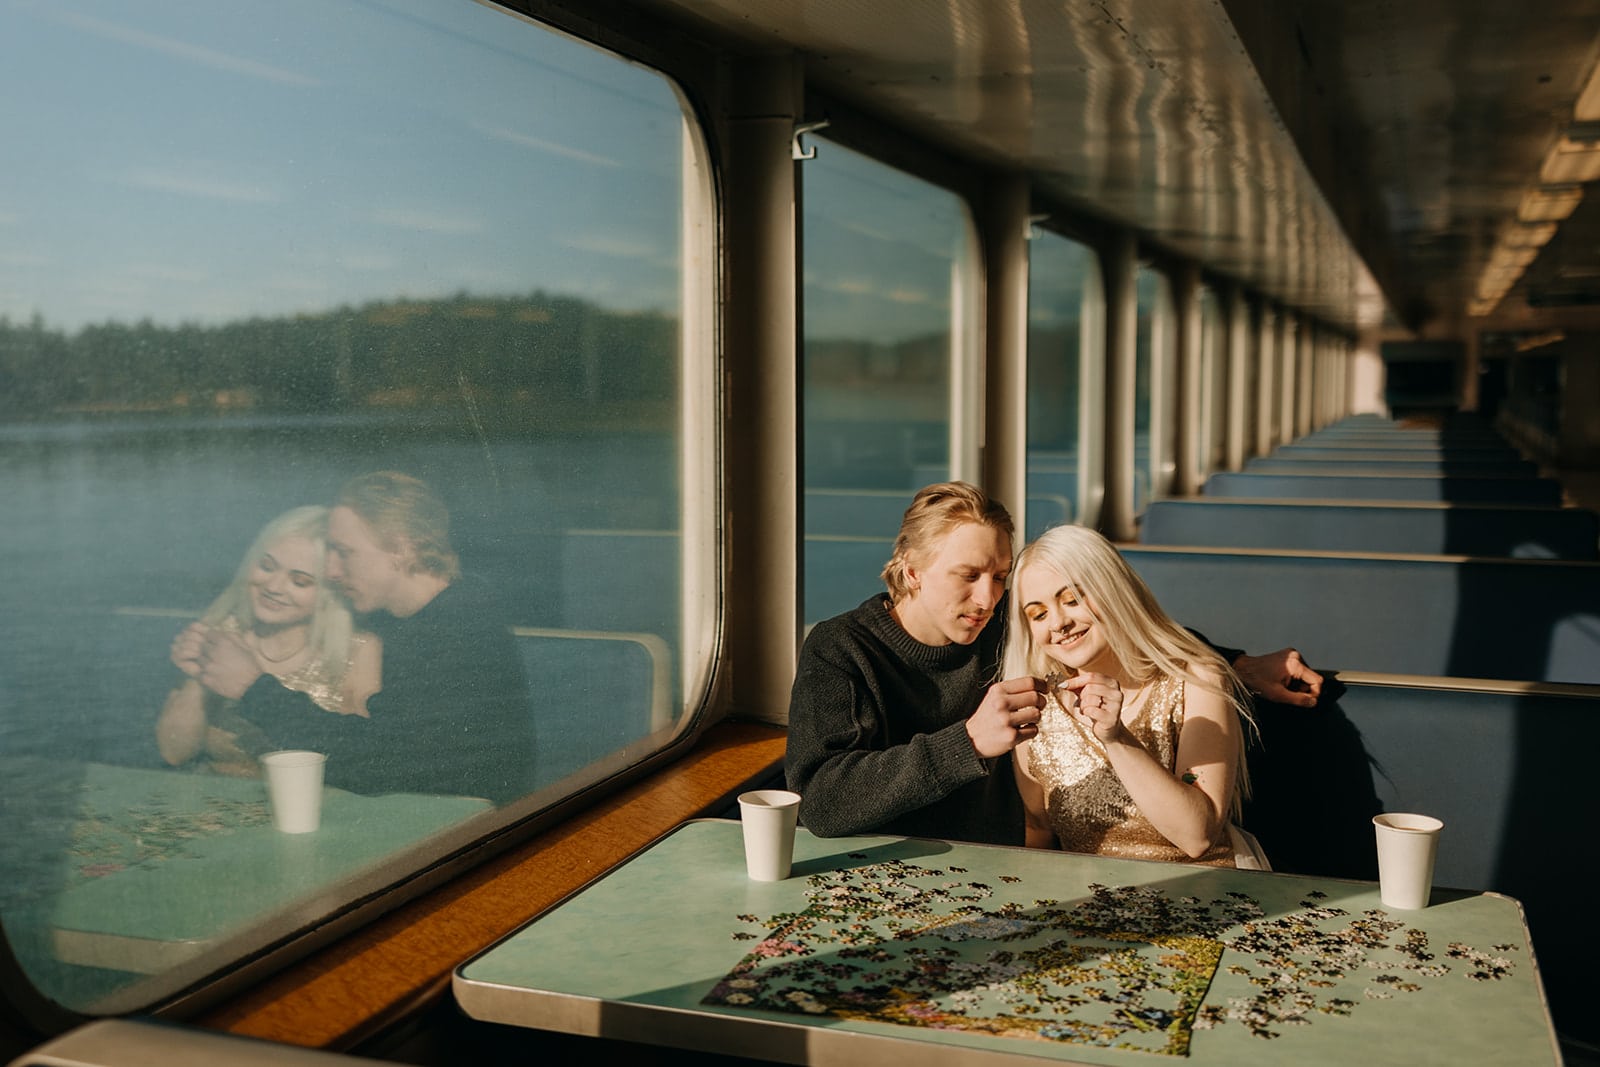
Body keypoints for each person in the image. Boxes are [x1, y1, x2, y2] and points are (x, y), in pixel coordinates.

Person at [784, 481, 1321, 847]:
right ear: (911, 570)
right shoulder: (840, 650)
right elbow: (821, 804)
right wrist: (966, 743)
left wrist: (1239, 664)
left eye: (999, 578)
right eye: (967, 575)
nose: (986, 598)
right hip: (886, 868)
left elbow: (1116, 626)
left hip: (1006, 867)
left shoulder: (1008, 630)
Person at [214, 472, 536, 803]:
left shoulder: (463, 623)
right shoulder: (416, 616)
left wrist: (252, 686)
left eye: (344, 552)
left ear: (399, 548)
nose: (333, 570)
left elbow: (373, 764)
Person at [1005, 524, 1254, 866]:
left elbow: (1197, 835)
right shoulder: (1037, 707)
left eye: (1072, 599)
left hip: (1200, 895)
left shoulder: (1196, 678)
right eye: (1039, 613)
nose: (1058, 623)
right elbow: (1037, 829)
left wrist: (1116, 738)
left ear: (1113, 590)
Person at [156, 506, 381, 775]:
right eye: (267, 566)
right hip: (217, 804)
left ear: (329, 594)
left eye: (299, 581)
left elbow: (359, 764)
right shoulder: (220, 632)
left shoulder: (358, 651)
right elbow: (174, 754)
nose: (273, 587)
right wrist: (197, 681)